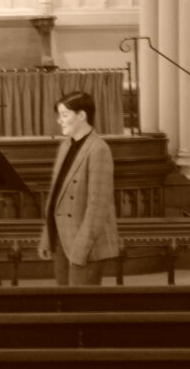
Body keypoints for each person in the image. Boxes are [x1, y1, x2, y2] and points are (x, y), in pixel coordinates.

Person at [38, 91, 119, 285]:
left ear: (82, 115)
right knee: (63, 299)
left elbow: (98, 207)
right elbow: (56, 195)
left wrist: (81, 248)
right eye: (59, 115)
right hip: (61, 238)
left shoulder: (98, 149)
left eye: (64, 115)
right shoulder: (65, 146)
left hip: (85, 244)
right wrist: (47, 236)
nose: (59, 121)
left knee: (81, 301)